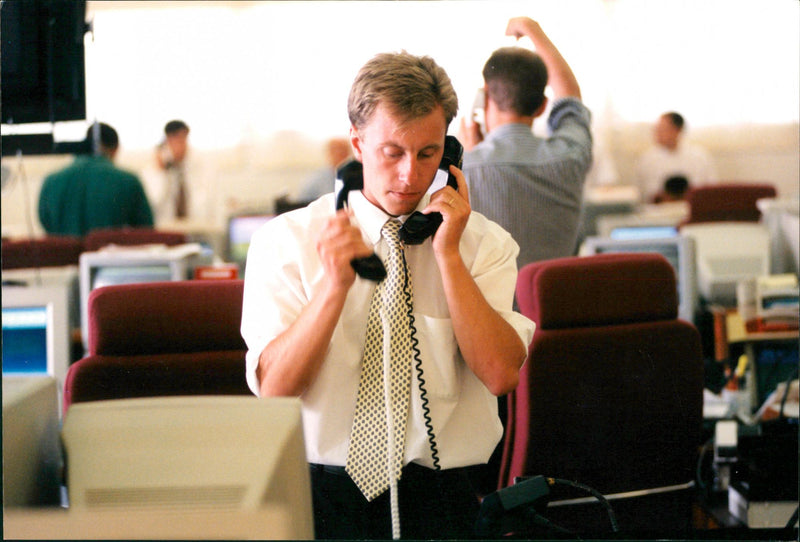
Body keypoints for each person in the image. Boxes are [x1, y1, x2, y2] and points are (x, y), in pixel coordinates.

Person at [241, 51, 534, 540]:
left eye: (428, 153)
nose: (409, 176)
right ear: (357, 143)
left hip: (442, 497)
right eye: (392, 152)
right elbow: (275, 389)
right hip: (319, 494)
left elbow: (501, 375)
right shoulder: (286, 241)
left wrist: (449, 257)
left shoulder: (485, 244)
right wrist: (333, 288)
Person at [458, 17, 592, 268]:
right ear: (543, 105)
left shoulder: (462, 170)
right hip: (557, 304)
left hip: (486, 308)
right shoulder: (570, 155)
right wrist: (532, 29)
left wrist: (472, 153)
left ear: (484, 96)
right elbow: (570, 99)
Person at [38, 122, 153, 236]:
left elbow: (46, 224)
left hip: (63, 254)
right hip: (109, 253)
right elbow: (145, 231)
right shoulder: (129, 181)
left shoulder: (51, 181)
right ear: (115, 149)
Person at [141, 119, 219, 227]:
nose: (178, 145)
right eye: (174, 140)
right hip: (167, 229)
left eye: (182, 139)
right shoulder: (154, 167)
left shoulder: (202, 163)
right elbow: (154, 203)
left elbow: (207, 202)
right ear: (167, 141)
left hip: (197, 228)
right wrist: (161, 172)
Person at [635, 111, 717, 203]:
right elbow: (642, 193)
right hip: (658, 212)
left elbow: (709, 189)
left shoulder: (699, 156)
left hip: (691, 208)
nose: (657, 134)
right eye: (656, 130)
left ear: (678, 130)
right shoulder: (647, 159)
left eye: (662, 129)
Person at [297, 136, 353, 201]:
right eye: (335, 150)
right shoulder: (315, 181)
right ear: (329, 153)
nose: (339, 154)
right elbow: (303, 205)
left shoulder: (359, 177)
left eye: (343, 151)